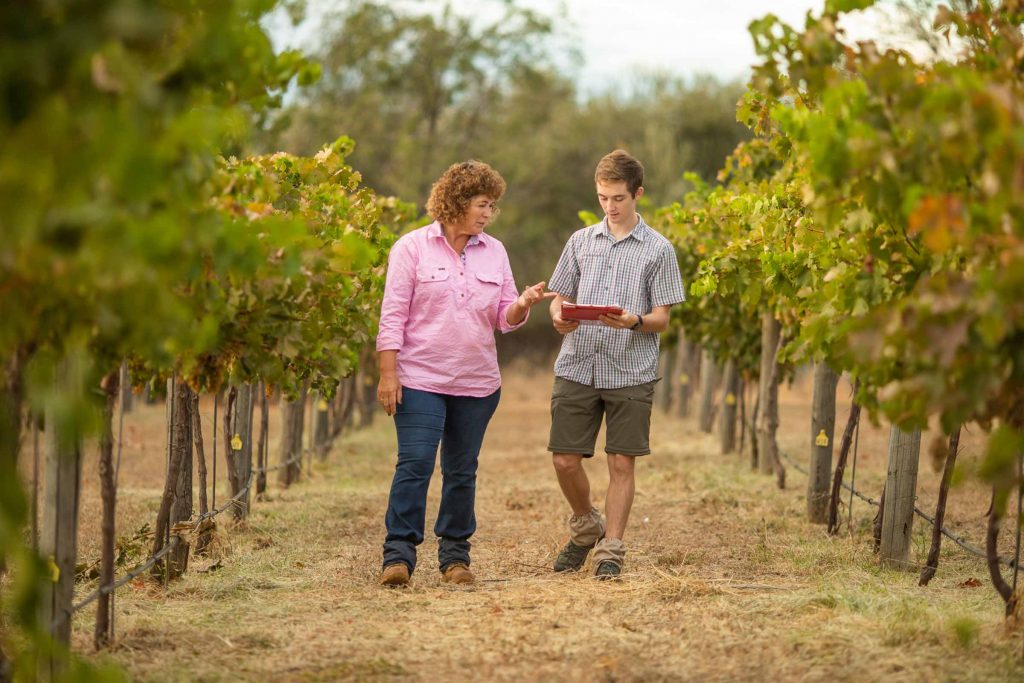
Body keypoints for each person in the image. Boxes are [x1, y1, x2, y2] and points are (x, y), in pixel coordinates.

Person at [376, 160, 554, 587]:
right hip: (419, 378)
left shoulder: (495, 251)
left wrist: (523, 303)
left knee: (461, 470)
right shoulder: (411, 248)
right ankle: (398, 557)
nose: (488, 213)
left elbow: (503, 317)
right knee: (415, 463)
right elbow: (393, 315)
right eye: (482, 204)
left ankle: (455, 559)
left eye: (492, 206)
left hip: (476, 383)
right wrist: (388, 373)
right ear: (456, 201)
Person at [546, 149, 686, 579]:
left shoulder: (659, 250)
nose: (610, 206)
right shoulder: (579, 242)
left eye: (619, 198)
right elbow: (560, 297)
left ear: (638, 194)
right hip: (577, 363)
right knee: (564, 459)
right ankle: (587, 525)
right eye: (604, 197)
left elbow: (662, 317)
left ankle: (613, 548)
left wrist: (634, 321)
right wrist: (559, 316)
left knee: (621, 462)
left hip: (630, 370)